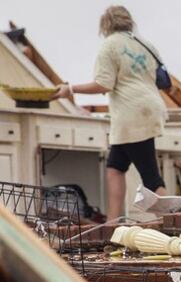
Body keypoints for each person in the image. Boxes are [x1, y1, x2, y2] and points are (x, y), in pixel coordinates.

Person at [53, 5, 168, 221]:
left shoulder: (110, 46)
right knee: (115, 168)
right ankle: (112, 224)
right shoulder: (144, 44)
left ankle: (173, 222)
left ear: (105, 25)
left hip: (131, 113)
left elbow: (103, 84)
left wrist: (69, 89)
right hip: (148, 109)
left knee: (151, 179)